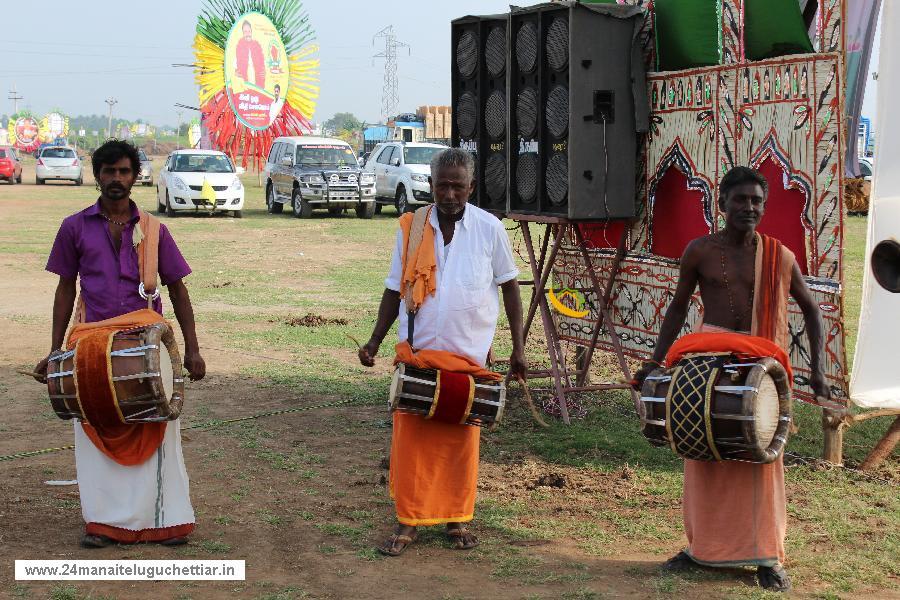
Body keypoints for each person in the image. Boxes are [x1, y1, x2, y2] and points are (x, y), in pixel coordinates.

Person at [633, 166, 831, 593]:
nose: (749, 208)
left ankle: (767, 557)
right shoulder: (699, 251)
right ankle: (701, 548)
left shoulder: (780, 255)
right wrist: (654, 361)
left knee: (762, 457)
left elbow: (812, 311)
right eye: (740, 200)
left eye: (757, 201)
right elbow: (677, 308)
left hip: (762, 362)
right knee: (702, 451)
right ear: (720, 204)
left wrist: (817, 372)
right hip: (709, 358)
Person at [34, 139, 206, 548]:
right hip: (90, 349)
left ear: (135, 176)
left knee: (158, 433)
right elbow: (64, 290)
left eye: (124, 171)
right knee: (96, 432)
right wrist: (57, 350)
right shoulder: (74, 226)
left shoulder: (154, 230)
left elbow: (178, 291)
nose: (116, 179)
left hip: (147, 348)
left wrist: (193, 349)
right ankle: (103, 523)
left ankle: (167, 520)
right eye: (109, 172)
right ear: (97, 176)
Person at [358, 148, 527, 556]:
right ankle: (408, 522)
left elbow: (509, 288)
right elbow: (394, 288)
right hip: (419, 355)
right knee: (412, 444)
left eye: (458, 185)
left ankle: (457, 519)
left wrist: (518, 349)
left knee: (460, 443)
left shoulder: (490, 230)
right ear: (430, 185)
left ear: (471, 187)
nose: (449, 193)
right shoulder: (413, 228)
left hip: (469, 360)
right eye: (442, 185)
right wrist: (375, 340)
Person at [234, 20, 265, 89]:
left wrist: (265, 72)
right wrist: (235, 73)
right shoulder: (239, 47)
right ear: (242, 33)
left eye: (249, 31)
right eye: (245, 32)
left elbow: (263, 64)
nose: (247, 34)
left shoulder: (257, 46)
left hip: (258, 84)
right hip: (244, 86)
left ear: (251, 32)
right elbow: (234, 68)